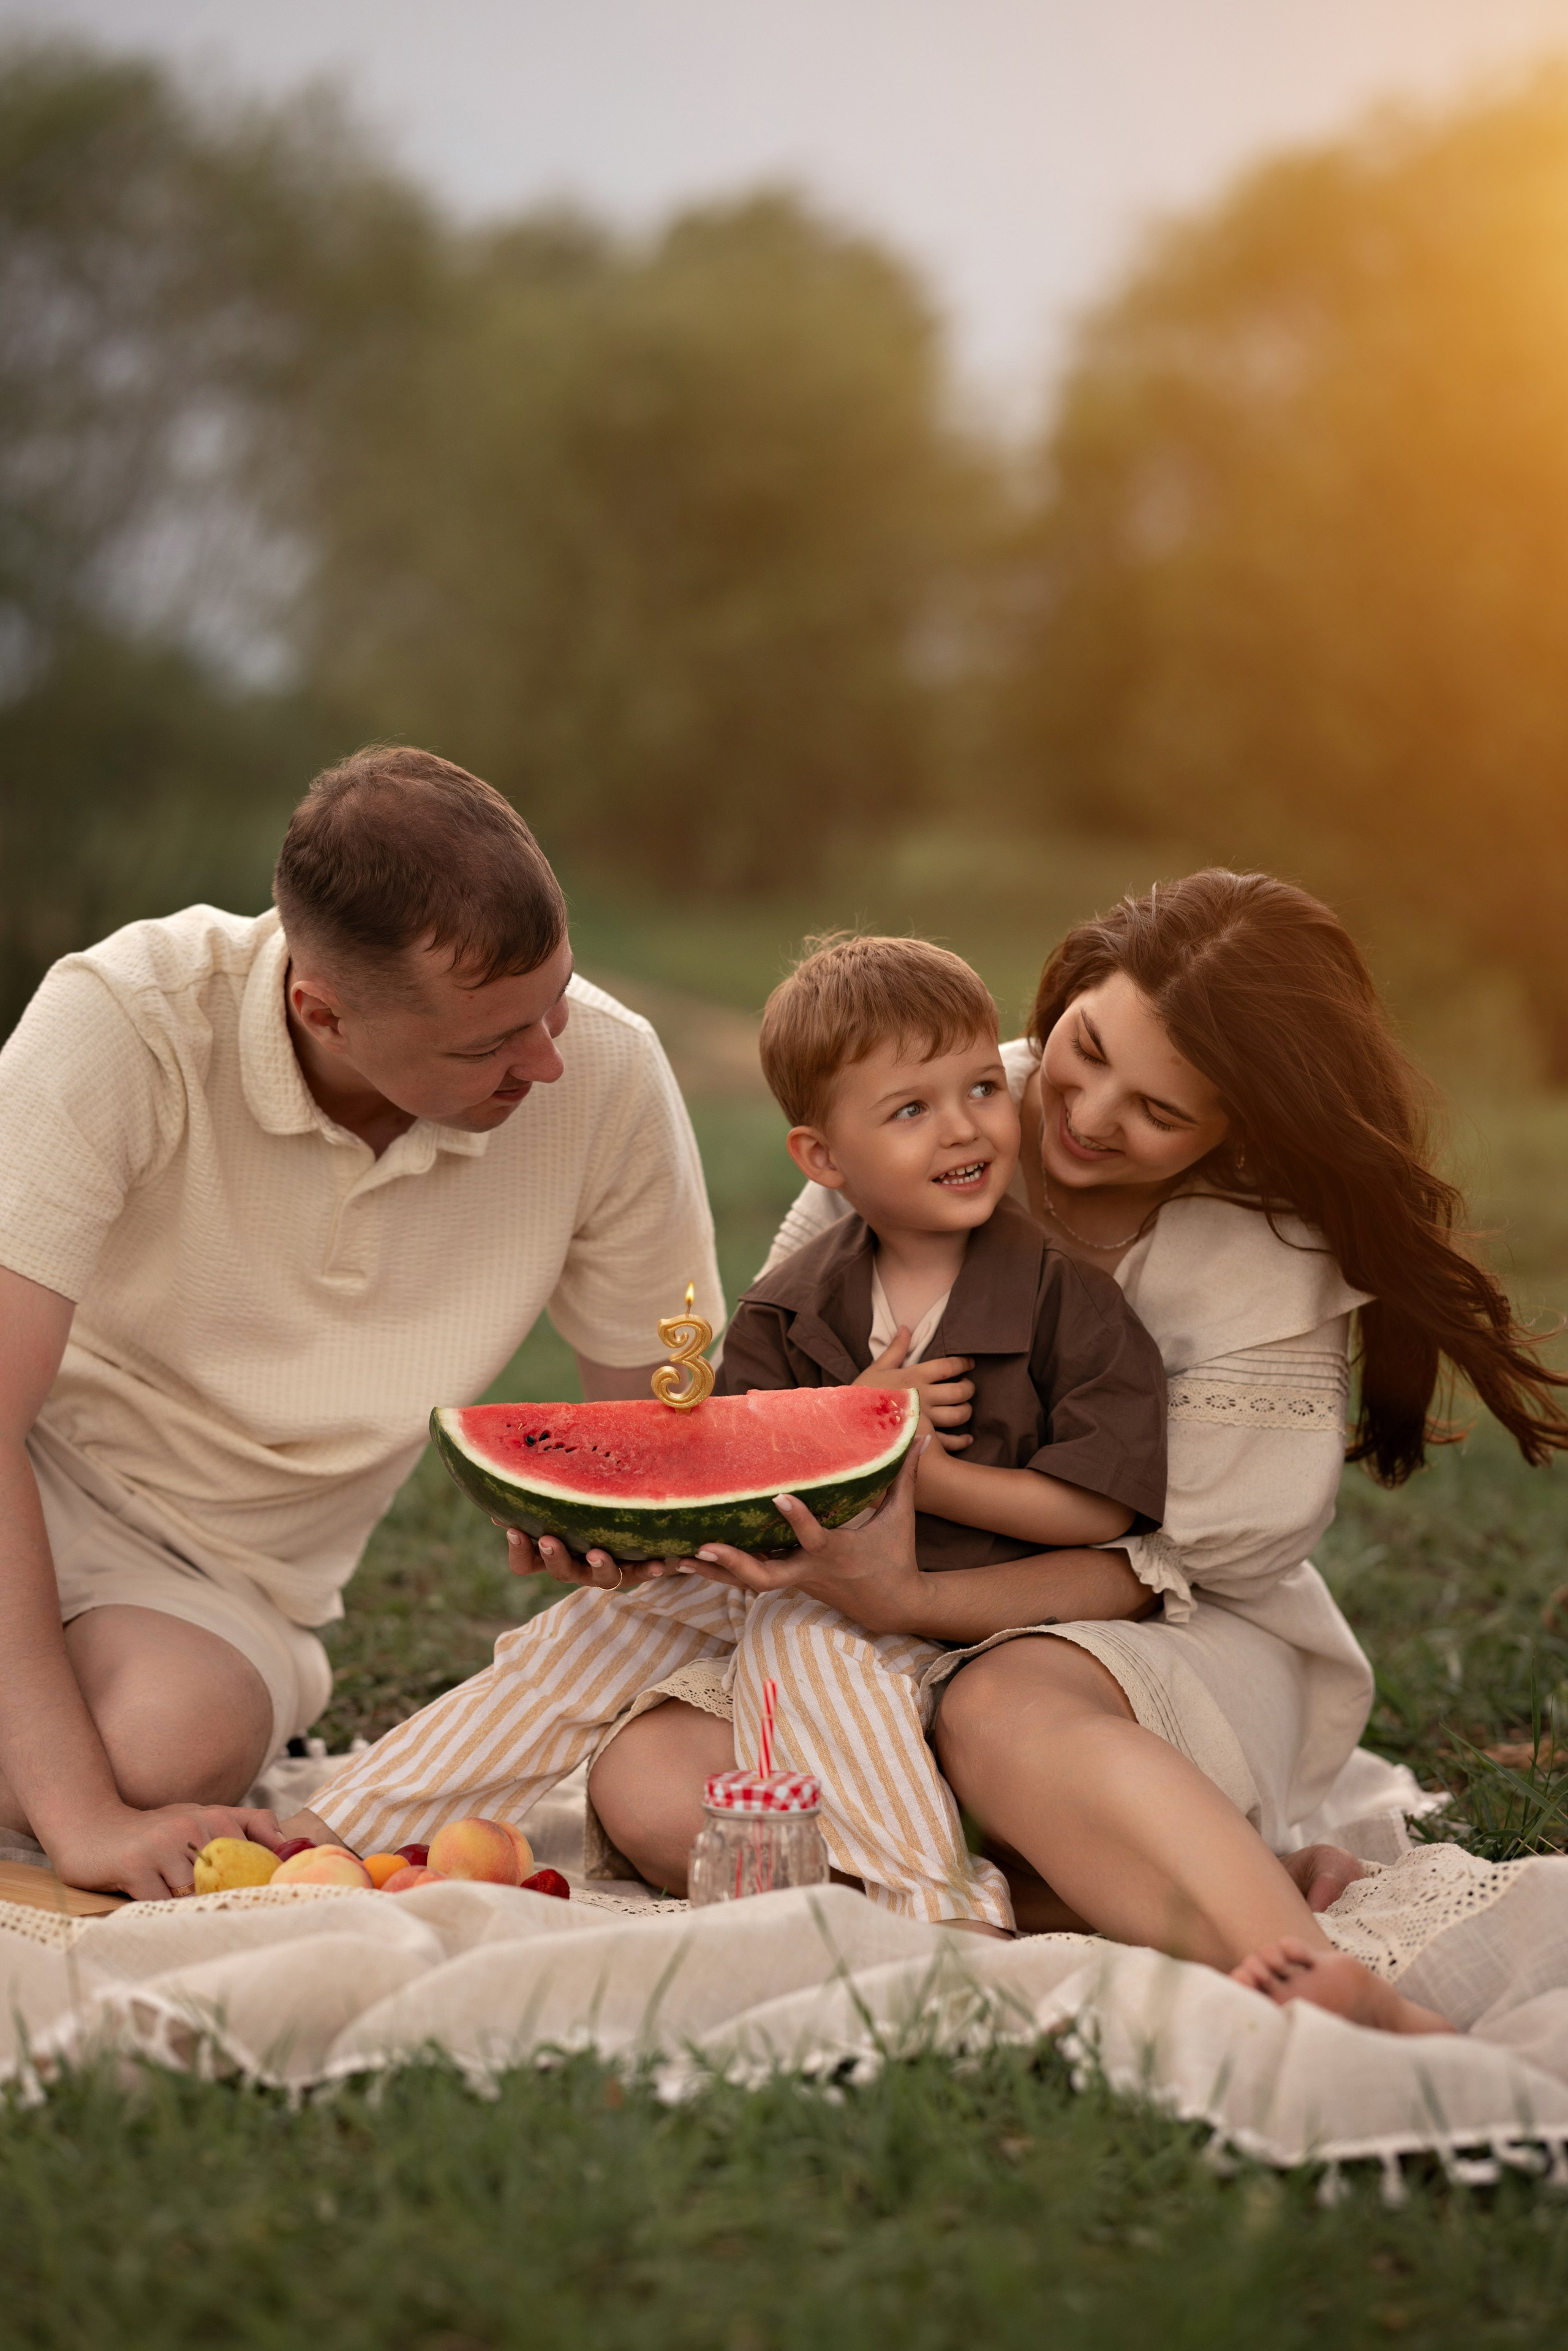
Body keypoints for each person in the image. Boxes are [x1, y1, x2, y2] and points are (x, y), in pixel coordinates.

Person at [591, 871, 1568, 2036]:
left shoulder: (1262, 1248)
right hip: (876, 1610)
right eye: (1087, 1049)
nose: (1092, 1115)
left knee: (998, 1708)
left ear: (1239, 1126)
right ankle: (1092, 1889)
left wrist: (914, 1596)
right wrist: (639, 1527)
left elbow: (1156, 1565)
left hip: (1161, 1629)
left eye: (1160, 1109)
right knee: (658, 1785)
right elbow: (786, 1409)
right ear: (1065, 993)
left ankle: (1306, 1965)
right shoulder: (938, 1105)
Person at [294, 936, 1167, 1931]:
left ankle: (942, 1909)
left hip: (955, 1613)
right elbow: (737, 1491)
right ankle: (338, 1831)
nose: (964, 1126)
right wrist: (615, 1539)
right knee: (588, 1631)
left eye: (980, 1088)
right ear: (823, 1158)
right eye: (911, 1109)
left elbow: (1100, 1512)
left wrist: (910, 1465)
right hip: (784, 1571)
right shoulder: (789, 1306)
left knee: (804, 1638)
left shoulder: (1069, 1303)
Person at [0, 745, 721, 1901]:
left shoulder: (607, 1072)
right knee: (81, 1782)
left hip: (217, 1579)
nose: (547, 1060)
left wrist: (610, 1526)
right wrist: (78, 1819)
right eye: (488, 1043)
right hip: (28, 1463)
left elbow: (659, 1436)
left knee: (163, 1754)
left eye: (553, 1002)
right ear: (322, 1010)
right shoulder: (126, 1021)